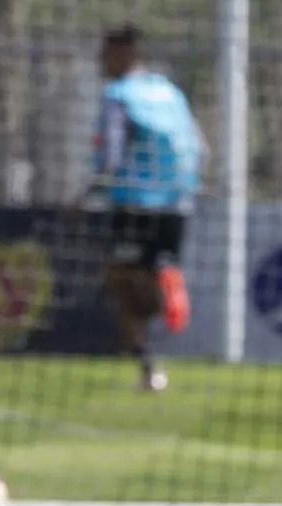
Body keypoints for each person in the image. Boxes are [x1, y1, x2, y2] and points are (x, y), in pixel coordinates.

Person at [87, 24, 204, 393]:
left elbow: (112, 156)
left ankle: (149, 367)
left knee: (120, 285)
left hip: (133, 204)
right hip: (178, 204)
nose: (99, 61)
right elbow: (198, 146)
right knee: (143, 274)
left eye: (105, 53)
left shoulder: (117, 95)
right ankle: (165, 272)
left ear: (124, 54)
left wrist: (84, 196)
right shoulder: (169, 92)